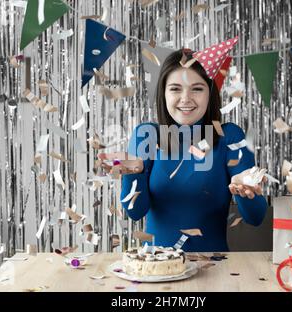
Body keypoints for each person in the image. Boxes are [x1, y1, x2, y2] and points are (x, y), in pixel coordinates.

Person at [98, 41, 268, 252]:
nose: (185, 99)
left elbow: (256, 218)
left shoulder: (229, 136)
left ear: (210, 93)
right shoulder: (146, 135)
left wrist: (245, 190)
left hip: (215, 270)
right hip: (156, 268)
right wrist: (134, 174)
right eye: (175, 89)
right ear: (164, 94)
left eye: (197, 89)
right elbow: (135, 212)